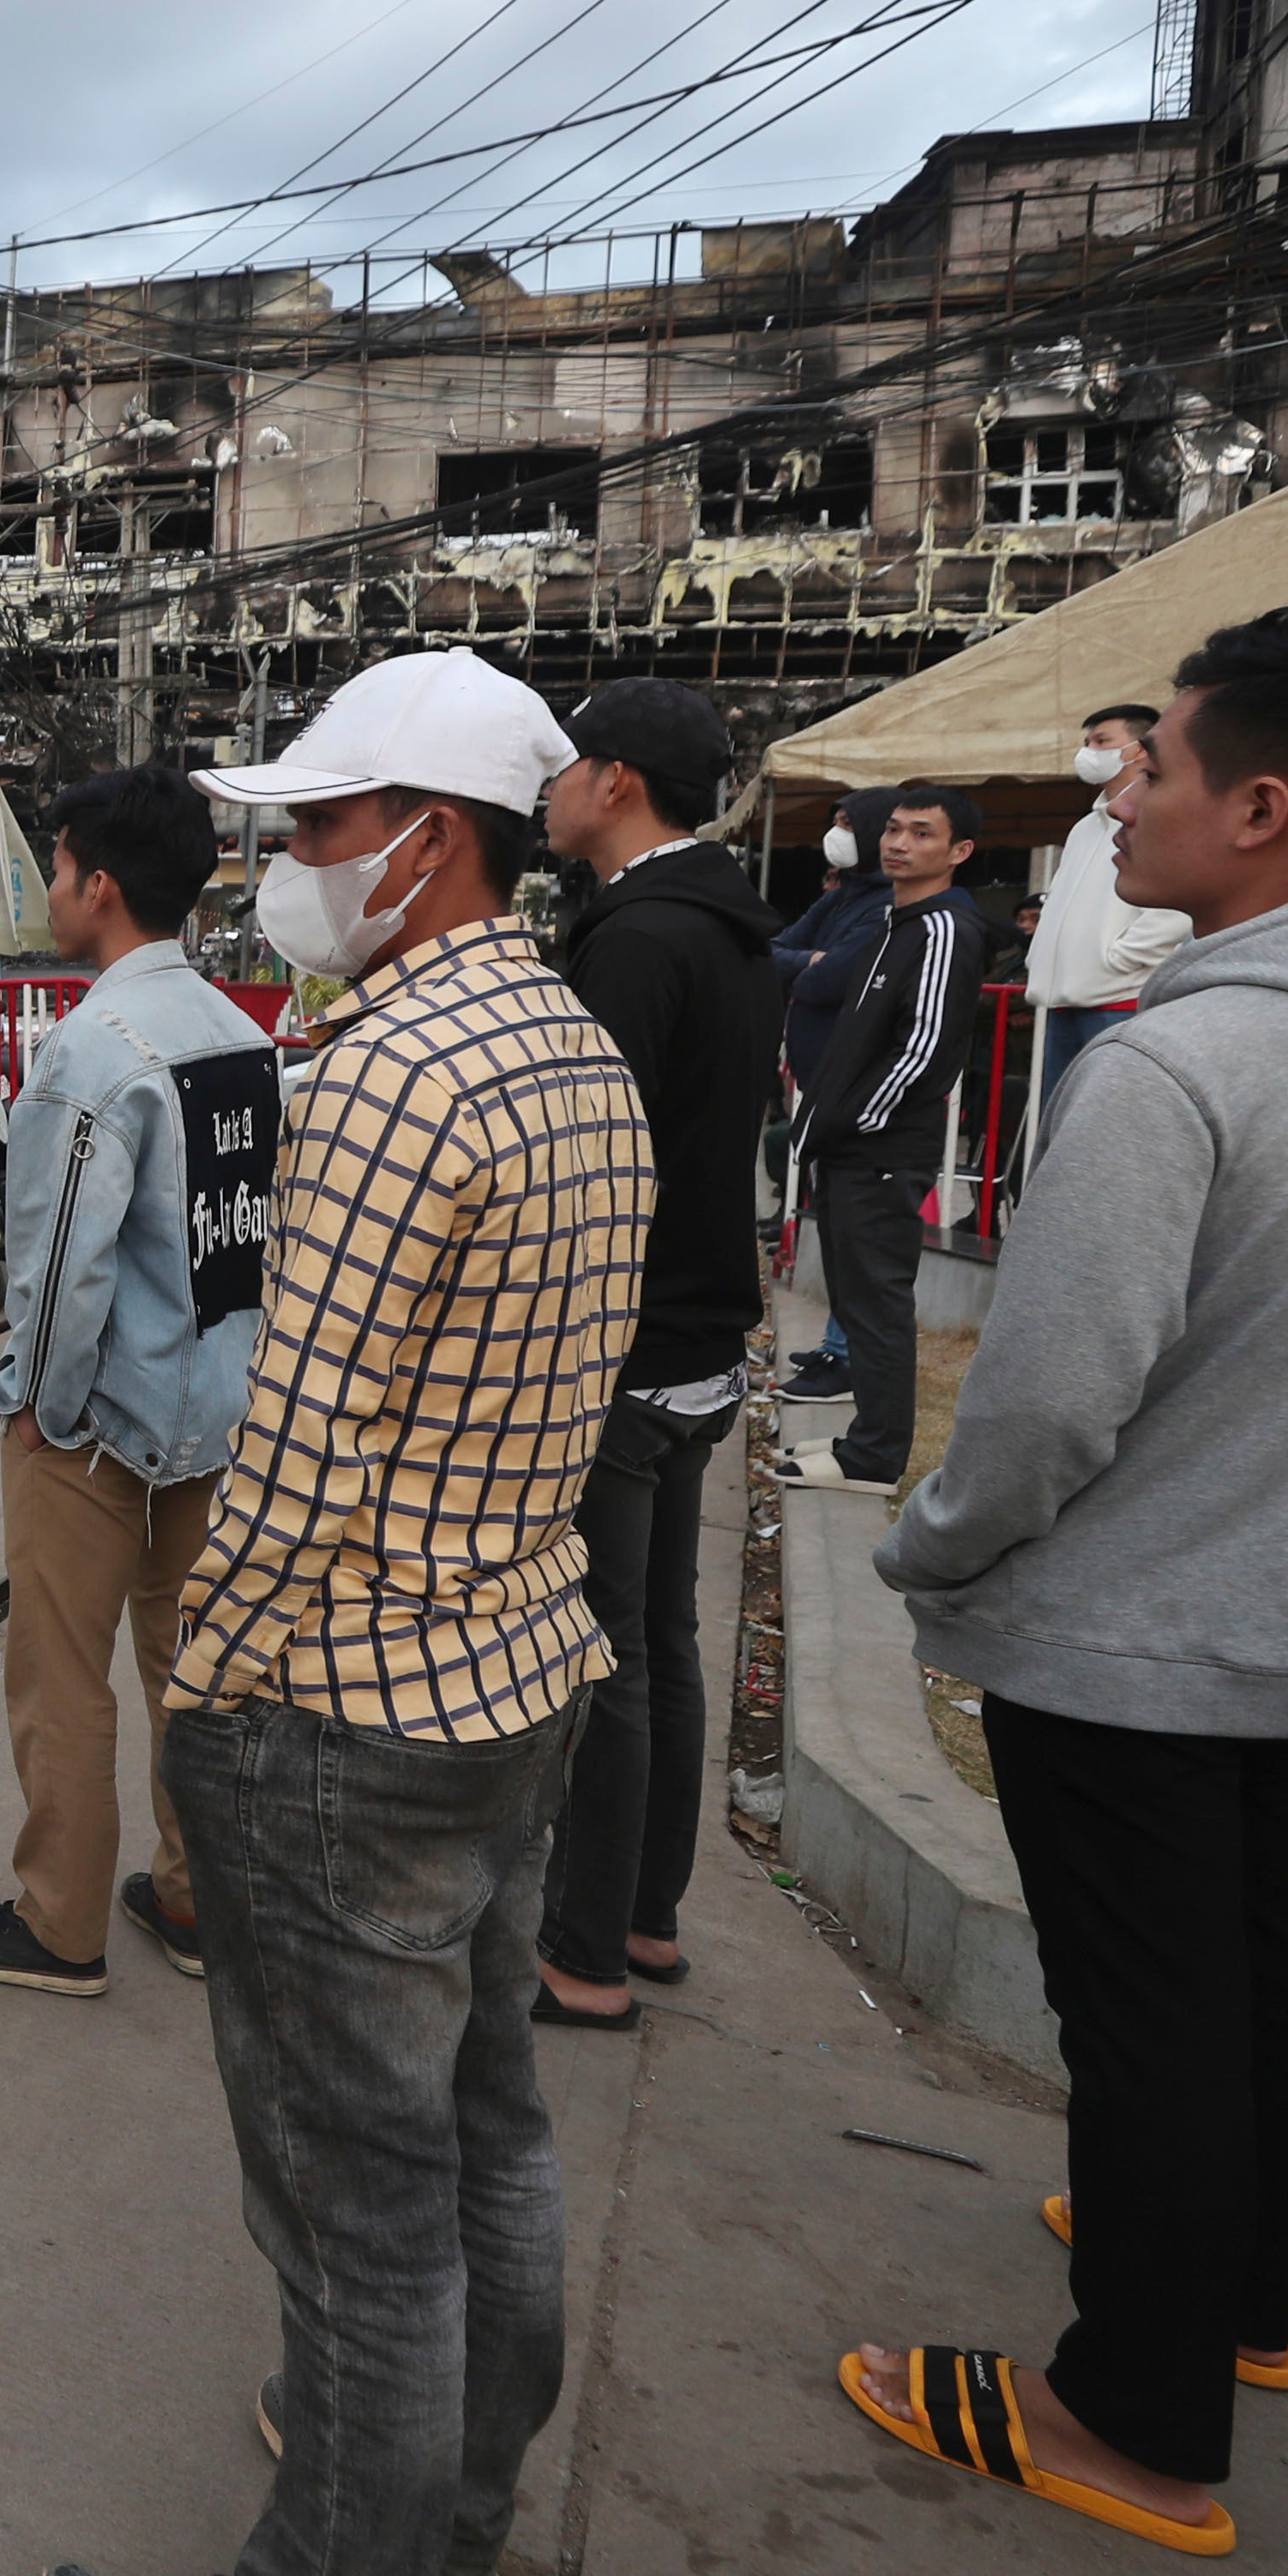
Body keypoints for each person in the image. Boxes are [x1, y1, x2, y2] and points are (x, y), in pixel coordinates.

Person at [843, 607, 1288, 2557]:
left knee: (1142, 2023)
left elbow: (1044, 1411)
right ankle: (1236, 2303)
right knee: (1258, 1960)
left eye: (1144, 764)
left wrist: (928, 1549)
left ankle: (1129, 2421)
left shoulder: (1188, 1069)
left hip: (1138, 1634)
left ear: (1256, 803)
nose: (1112, 796)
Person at [38, 650, 652, 2576]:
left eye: (313, 825)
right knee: (486, 2141)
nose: (286, 862)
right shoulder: (565, 1044)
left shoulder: (389, 1070)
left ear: (427, 842)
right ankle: (455, 2541)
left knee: (356, 2230)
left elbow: (295, 1456)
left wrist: (205, 1700)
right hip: (514, 1674)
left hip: (347, 1720)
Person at [0, 761, 276, 1999]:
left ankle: (61, 1920)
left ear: (99, 887)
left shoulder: (89, 1054)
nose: (52, 888)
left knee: (61, 1673)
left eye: (58, 867)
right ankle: (193, 1902)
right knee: (193, 1669)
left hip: (103, 1428)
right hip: (215, 1417)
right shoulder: (239, 1034)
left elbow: (61, 1267)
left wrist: (43, 1413)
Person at [530, 683, 783, 2033]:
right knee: (665, 1644)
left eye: (567, 767)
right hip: (700, 1338)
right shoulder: (729, 927)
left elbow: (587, 1161)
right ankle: (647, 1912)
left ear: (615, 781)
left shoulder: (636, 943)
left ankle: (581, 1952)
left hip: (625, 1348)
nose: (553, 791)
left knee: (606, 1657)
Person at [779, 784, 987, 1493]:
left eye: (922, 834)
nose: (900, 843)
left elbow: (925, 1050)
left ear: (958, 851)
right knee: (857, 1298)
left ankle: (874, 1458)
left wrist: (857, 1120)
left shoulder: (942, 930)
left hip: (882, 1152)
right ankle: (862, 1442)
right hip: (847, 1147)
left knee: (877, 1305)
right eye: (894, 830)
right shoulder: (897, 919)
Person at [766, 786, 900, 1405]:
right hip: (822, 1086)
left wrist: (807, 966)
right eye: (836, 821)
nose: (837, 833)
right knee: (836, 1225)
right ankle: (834, 1344)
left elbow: (833, 977)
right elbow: (773, 951)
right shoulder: (845, 895)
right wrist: (805, 961)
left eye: (850, 823)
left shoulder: (888, 906)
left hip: (858, 1092)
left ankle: (846, 1359)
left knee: (856, 1232)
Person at [1024, 702, 1189, 1099]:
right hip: (1064, 1002)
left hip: (1119, 1004)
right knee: (1059, 1125)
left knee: (1101, 1120)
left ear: (1140, 748)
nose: (1089, 752)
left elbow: (1175, 903)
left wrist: (1120, 961)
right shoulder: (1084, 827)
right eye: (1087, 742)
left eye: (1102, 741)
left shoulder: (1160, 813)